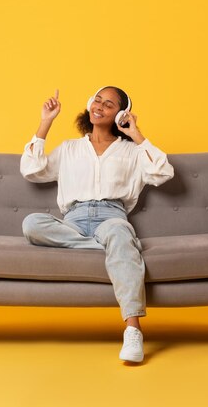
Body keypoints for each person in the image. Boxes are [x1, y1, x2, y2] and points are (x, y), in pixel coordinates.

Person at [20, 86, 174, 363]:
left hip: (111, 217)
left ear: (121, 115)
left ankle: (132, 330)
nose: (100, 106)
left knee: (118, 232)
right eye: (97, 100)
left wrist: (135, 133)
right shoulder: (69, 148)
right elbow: (32, 170)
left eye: (109, 104)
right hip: (73, 222)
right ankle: (116, 250)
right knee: (32, 223)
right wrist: (46, 121)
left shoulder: (131, 151)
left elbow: (163, 172)